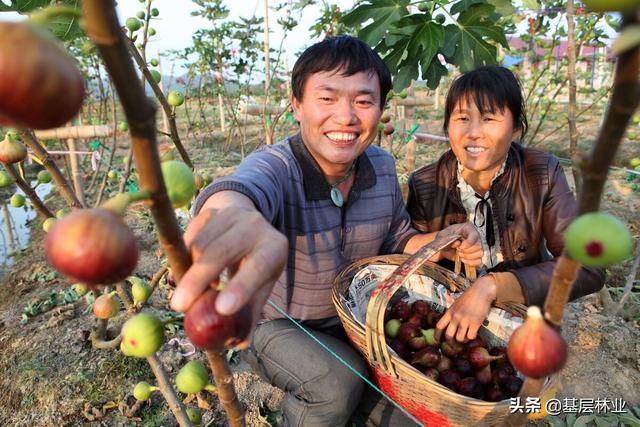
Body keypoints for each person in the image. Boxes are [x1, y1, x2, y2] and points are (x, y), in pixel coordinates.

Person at [170, 36, 483, 426]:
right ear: (297, 105)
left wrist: (439, 244)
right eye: (328, 98)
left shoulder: (381, 168)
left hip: (353, 319)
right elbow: (241, 190)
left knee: (410, 413)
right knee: (338, 383)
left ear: (382, 109)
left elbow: (396, 239)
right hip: (279, 325)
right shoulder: (278, 167)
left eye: (364, 101)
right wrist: (230, 212)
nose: (346, 116)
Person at [406, 65, 605, 344]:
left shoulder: (541, 173)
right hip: (452, 324)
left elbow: (588, 267)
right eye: (462, 117)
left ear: (515, 130)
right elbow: (411, 266)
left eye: (488, 118)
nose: (473, 132)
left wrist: (493, 286)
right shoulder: (425, 183)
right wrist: (440, 249)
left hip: (524, 321)